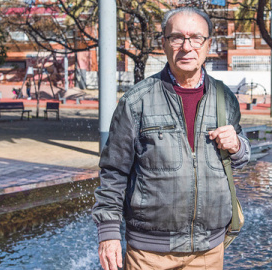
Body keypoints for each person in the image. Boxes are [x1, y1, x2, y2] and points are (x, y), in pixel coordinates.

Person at [92, 7, 250, 270]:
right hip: (148, 254)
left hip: (208, 251)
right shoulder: (136, 101)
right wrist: (108, 233)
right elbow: (113, 171)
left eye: (196, 38)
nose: (187, 47)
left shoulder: (225, 98)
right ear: (163, 44)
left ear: (208, 44)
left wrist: (237, 146)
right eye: (177, 37)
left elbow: (242, 155)